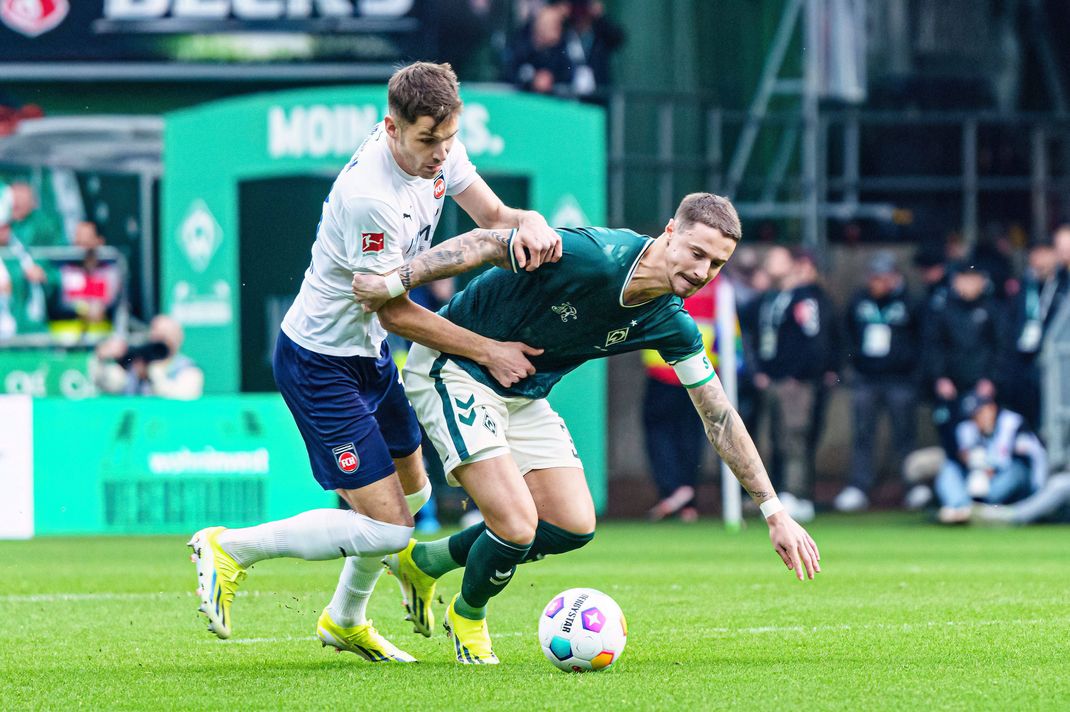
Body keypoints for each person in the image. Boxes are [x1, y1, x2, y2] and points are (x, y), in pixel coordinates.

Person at [185, 62, 561, 662]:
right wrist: (489, 350)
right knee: (388, 529)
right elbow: (396, 313)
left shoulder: (441, 149)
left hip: (369, 358)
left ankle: (344, 618)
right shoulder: (371, 199)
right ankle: (231, 547)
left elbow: (494, 218)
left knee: (411, 498)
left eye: (449, 139)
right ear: (391, 128)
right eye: (427, 141)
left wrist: (533, 221)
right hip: (319, 362)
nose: (441, 154)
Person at [352, 193, 820, 665]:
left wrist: (773, 510)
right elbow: (484, 243)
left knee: (572, 524)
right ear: (671, 231)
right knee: (515, 526)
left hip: (522, 391)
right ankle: (469, 615)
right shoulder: (594, 255)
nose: (703, 272)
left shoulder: (671, 322)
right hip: (455, 367)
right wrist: (395, 280)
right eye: (698, 253)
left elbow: (719, 415)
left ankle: (425, 561)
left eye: (717, 264)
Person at [751, 247, 839, 522]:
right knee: (779, 439)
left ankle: (797, 494)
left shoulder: (804, 298)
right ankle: (784, 494)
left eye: (776, 259)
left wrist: (798, 374)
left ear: (794, 265)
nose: (769, 263)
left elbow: (814, 340)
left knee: (795, 438)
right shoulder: (773, 297)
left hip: (795, 382)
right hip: (775, 379)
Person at [835, 251, 920, 512]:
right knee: (863, 433)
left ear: (894, 277)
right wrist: (854, 364)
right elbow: (846, 332)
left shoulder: (910, 302)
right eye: (873, 277)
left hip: (900, 379)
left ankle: (912, 485)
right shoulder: (859, 300)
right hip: (867, 377)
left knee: (904, 434)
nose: (876, 283)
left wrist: (912, 369)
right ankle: (860, 486)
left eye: (882, 277)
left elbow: (921, 339)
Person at [640, 276, 724, 522]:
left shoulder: (666, 276)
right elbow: (730, 332)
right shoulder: (717, 285)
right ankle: (688, 496)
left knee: (658, 429)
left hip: (664, 369)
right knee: (692, 432)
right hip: (702, 371)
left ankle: (672, 490)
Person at [921, 261, 1001, 456]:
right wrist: (940, 377)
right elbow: (933, 345)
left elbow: (1000, 346)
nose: (969, 284)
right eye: (964, 279)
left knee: (985, 434)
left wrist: (991, 378)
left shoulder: (992, 308)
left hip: (982, 384)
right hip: (952, 385)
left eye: (974, 279)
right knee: (950, 434)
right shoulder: (941, 308)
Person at [934, 390, 1047, 524]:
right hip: (976, 480)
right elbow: (959, 458)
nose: (978, 419)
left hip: (1012, 483)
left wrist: (1038, 490)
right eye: (974, 416)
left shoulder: (1013, 423)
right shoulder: (967, 428)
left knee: (1016, 470)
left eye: (980, 413)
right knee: (948, 467)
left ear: (991, 408)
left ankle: (983, 511)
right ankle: (959, 507)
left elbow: (1033, 457)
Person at [998, 241, 1067, 429]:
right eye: (1035, 256)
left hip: (1052, 365)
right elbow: (1010, 325)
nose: (1039, 262)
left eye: (1044, 255)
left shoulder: (1063, 286)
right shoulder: (1024, 286)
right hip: (1024, 365)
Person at [93, 314, 204, 399]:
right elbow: (107, 385)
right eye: (155, 333)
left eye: (165, 334)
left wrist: (153, 374)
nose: (159, 340)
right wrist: (102, 359)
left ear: (178, 339)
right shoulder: (136, 364)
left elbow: (183, 399)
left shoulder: (188, 370)